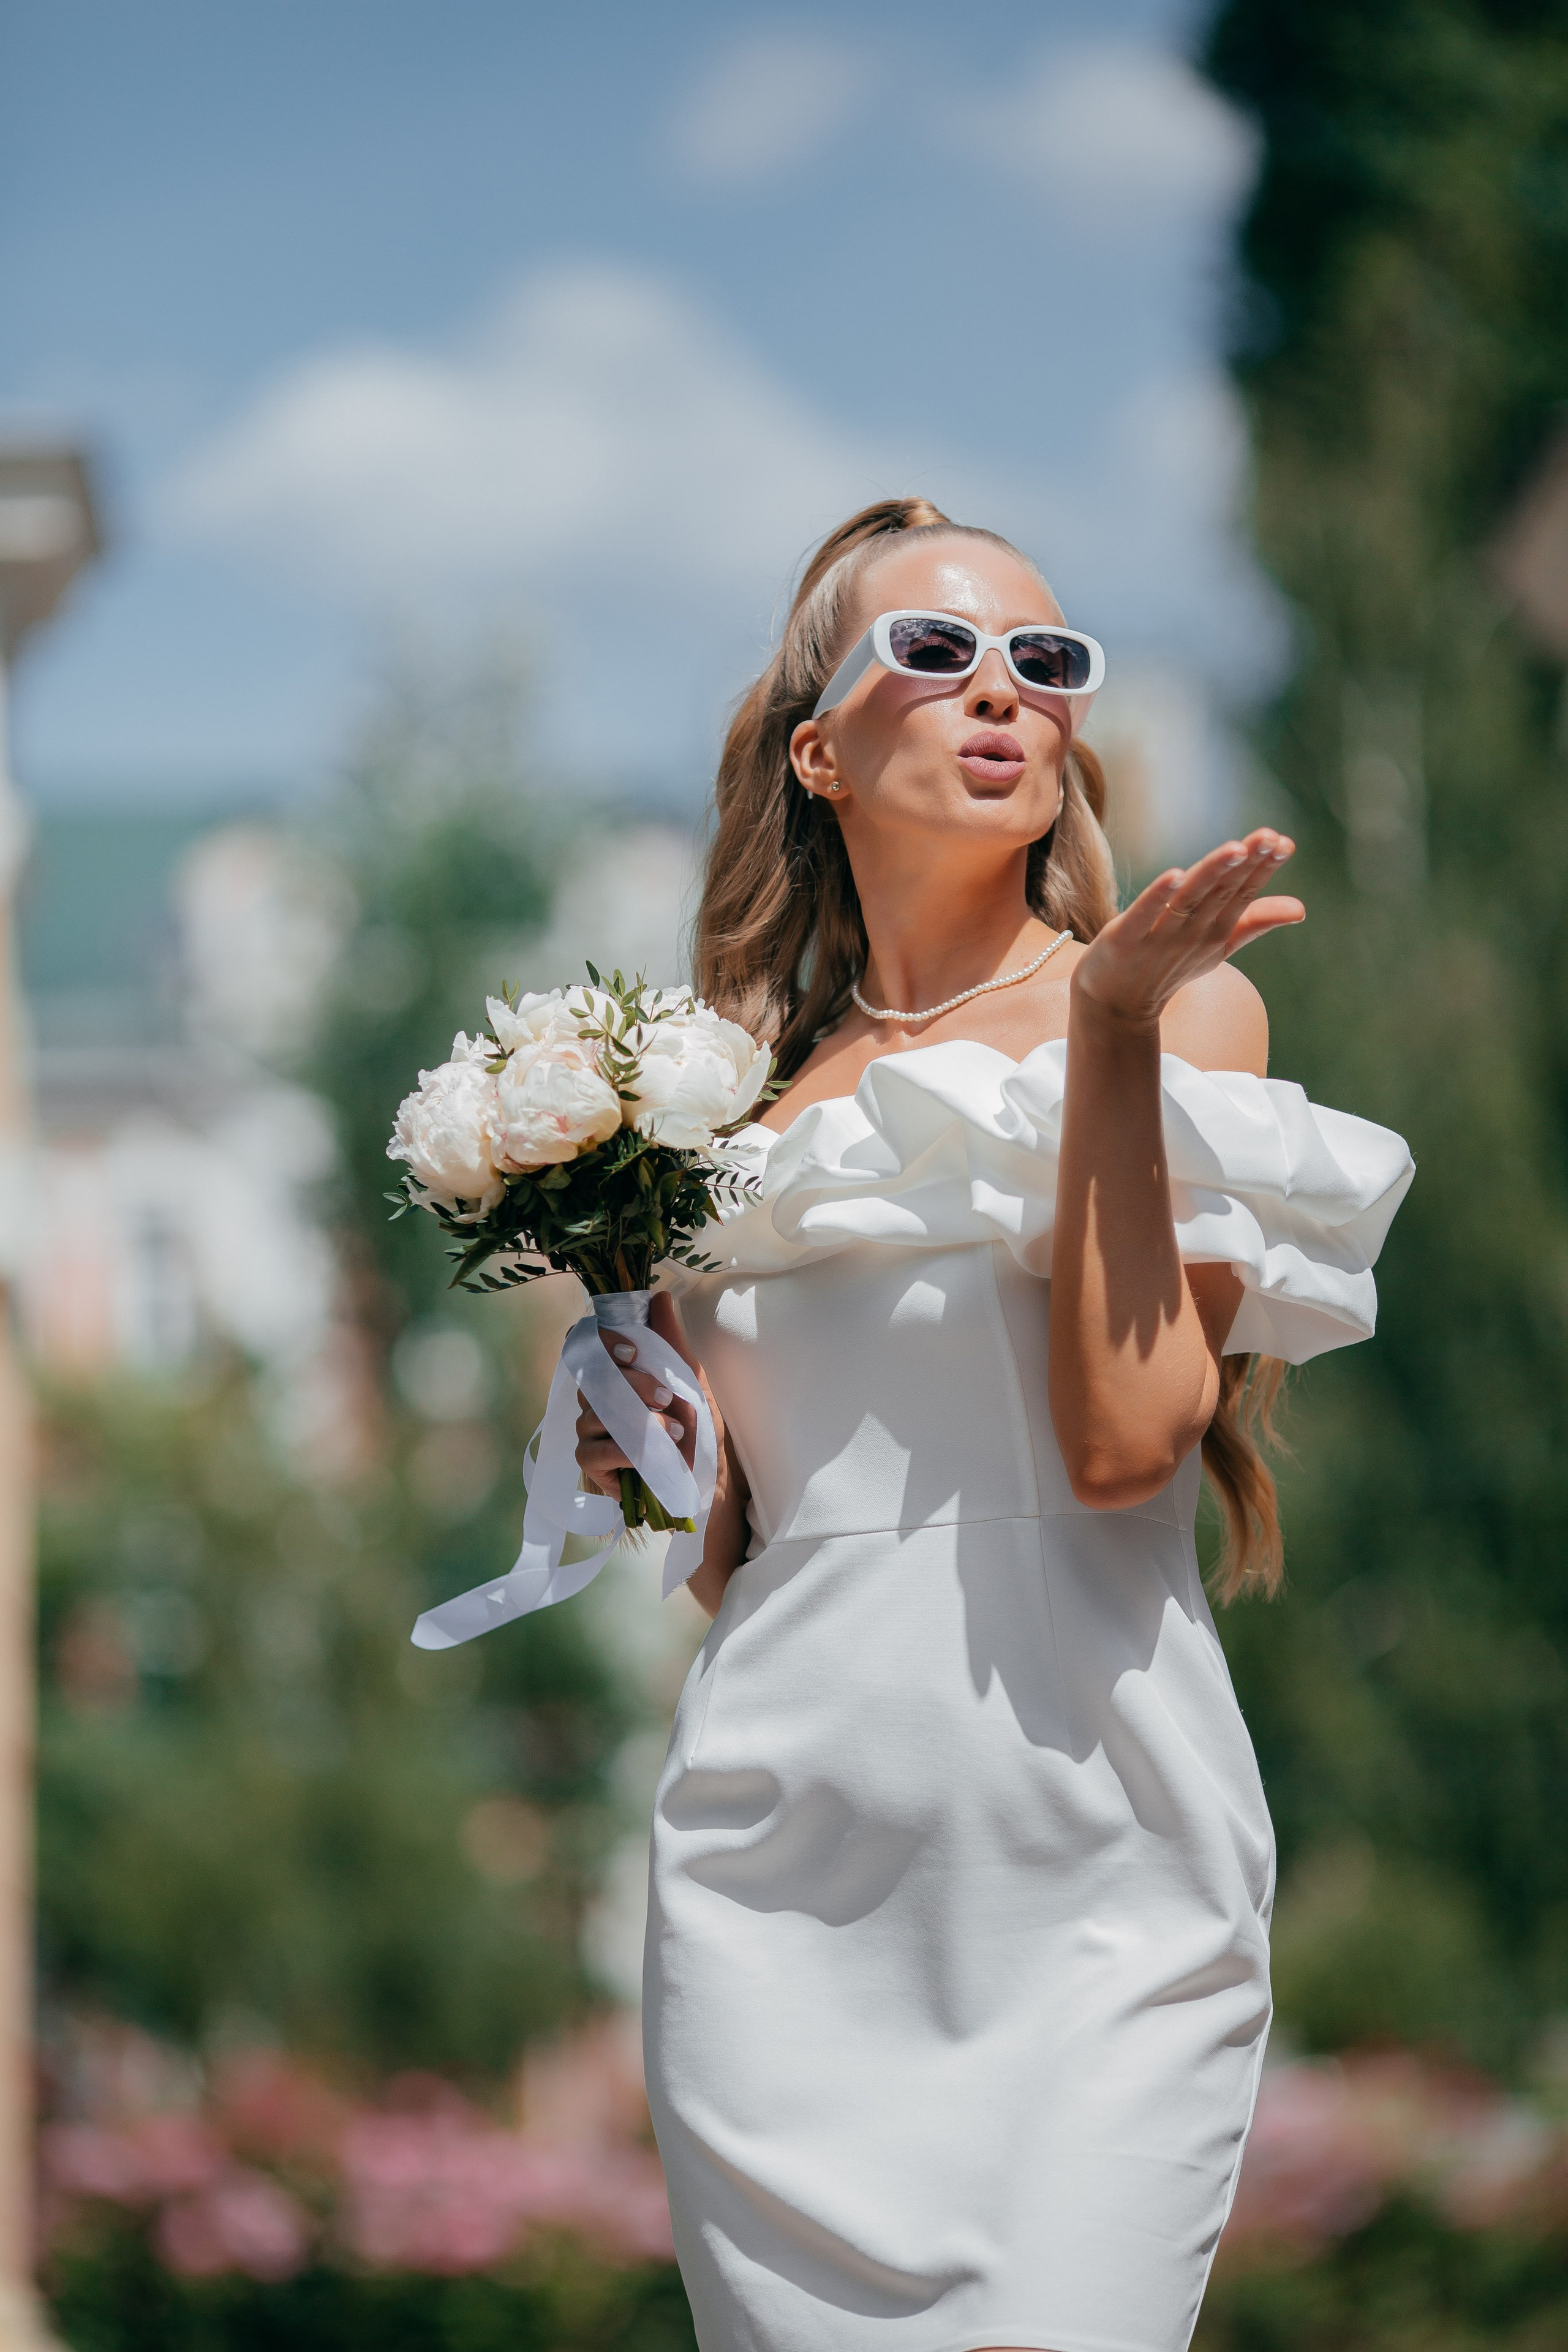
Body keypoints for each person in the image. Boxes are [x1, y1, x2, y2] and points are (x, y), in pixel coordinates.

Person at [576, 499, 1413, 2352]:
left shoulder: (1184, 1015)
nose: (1003, 696)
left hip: (1097, 1872)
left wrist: (1107, 1030)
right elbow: (726, 1559)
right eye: (937, 654)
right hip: (775, 1889)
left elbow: (1127, 1449)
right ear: (819, 748)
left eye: (1048, 661)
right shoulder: (726, 1103)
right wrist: (614, 1361)